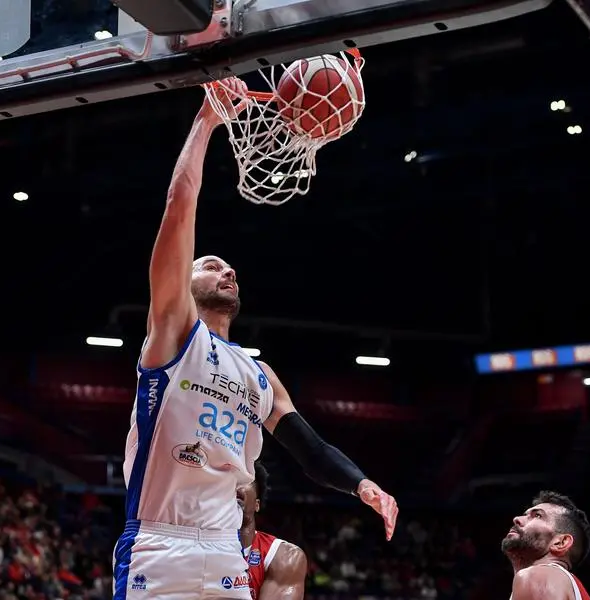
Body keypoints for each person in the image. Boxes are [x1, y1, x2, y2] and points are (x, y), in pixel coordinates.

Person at [113, 78, 398, 600]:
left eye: (230, 268)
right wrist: (206, 123)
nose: (227, 271)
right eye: (211, 264)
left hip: (226, 549)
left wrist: (362, 483)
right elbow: (180, 205)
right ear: (186, 283)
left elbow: (309, 451)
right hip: (160, 542)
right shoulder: (175, 332)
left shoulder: (259, 375)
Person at [502, 490, 590, 600]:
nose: (516, 519)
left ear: (561, 542)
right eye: (525, 515)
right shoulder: (562, 582)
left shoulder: (538, 575)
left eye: (537, 515)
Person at [238, 462, 307, 600]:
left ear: (257, 504)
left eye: (243, 480)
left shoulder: (283, 556)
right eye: (227, 481)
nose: (234, 486)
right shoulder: (187, 545)